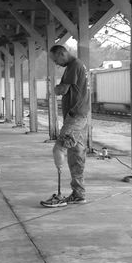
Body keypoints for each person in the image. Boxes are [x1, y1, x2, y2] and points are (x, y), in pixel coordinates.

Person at [41, 45, 90, 208]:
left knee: (58, 149)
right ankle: (78, 194)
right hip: (79, 116)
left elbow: (62, 90)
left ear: (62, 53)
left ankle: (60, 194)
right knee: (76, 155)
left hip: (75, 117)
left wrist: (54, 89)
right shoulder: (77, 65)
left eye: (56, 60)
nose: (56, 63)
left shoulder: (73, 66)